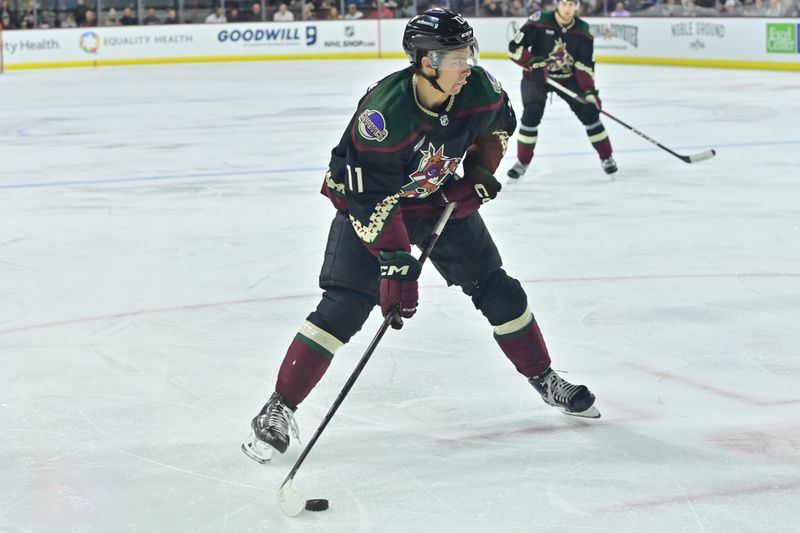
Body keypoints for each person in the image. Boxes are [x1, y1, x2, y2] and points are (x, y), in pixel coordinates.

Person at [241, 7, 599, 465]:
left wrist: (480, 173)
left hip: (437, 202)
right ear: (426, 62)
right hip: (369, 201)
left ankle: (544, 377)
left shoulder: (480, 87)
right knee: (345, 307)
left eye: (468, 52)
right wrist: (394, 262)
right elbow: (368, 193)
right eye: (455, 57)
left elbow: (498, 126)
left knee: (497, 288)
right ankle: (278, 406)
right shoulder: (383, 115)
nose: (467, 64)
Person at [507, 0, 617, 179]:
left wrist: (589, 92)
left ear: (577, 6)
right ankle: (522, 162)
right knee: (531, 115)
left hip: (568, 79)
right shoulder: (539, 20)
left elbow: (584, 65)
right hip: (536, 78)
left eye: (572, 4)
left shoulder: (583, 30)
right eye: (564, 4)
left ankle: (607, 157)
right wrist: (533, 63)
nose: (567, 9)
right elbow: (514, 48)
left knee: (590, 114)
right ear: (557, 4)